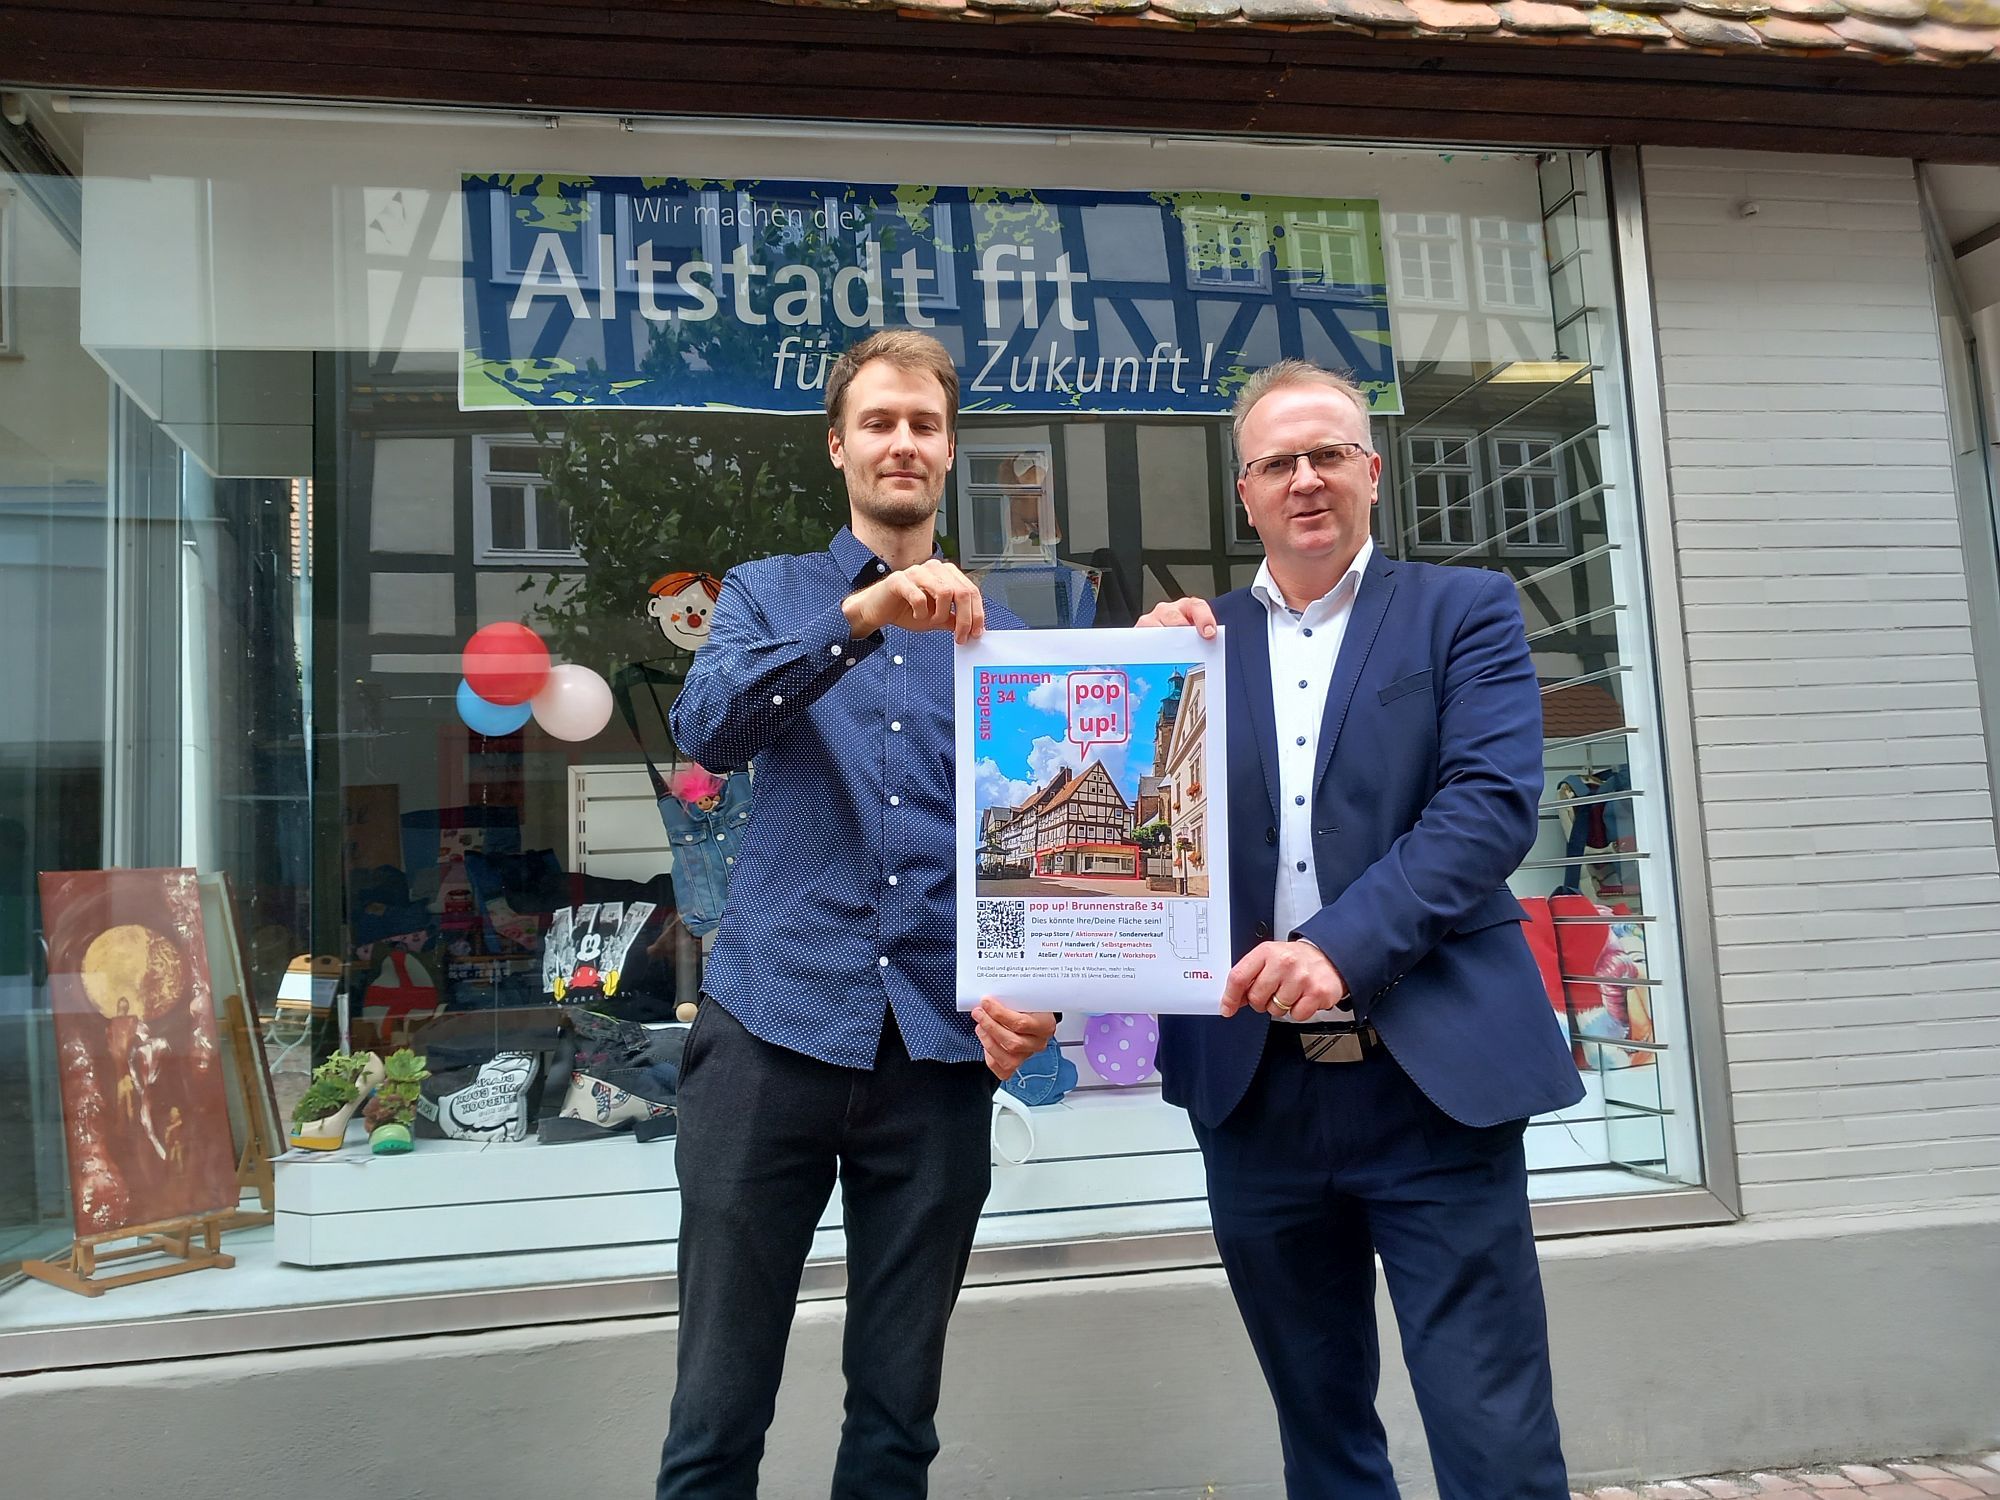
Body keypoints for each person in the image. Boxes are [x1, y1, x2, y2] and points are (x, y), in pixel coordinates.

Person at [1141, 360, 1586, 1500]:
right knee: (1319, 1422)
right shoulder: (1185, 647)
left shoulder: (1463, 609)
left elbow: (1487, 808)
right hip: (1254, 1089)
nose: (1303, 480)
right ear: (1241, 491)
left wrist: (1335, 948)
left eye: (1326, 454)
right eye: (1275, 462)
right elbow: (1139, 848)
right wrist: (1129, 685)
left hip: (1429, 1075)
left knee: (1489, 1423)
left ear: (1371, 472)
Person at [658, 329, 1058, 1500]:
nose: (902, 442)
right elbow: (709, 731)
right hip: (767, 1031)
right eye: (878, 422)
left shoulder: (1012, 645)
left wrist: (1040, 992)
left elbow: (1045, 857)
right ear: (838, 447)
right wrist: (863, 614)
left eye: (923, 424)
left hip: (934, 1056)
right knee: (716, 1412)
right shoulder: (766, 595)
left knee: (896, 1421)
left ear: (947, 453)